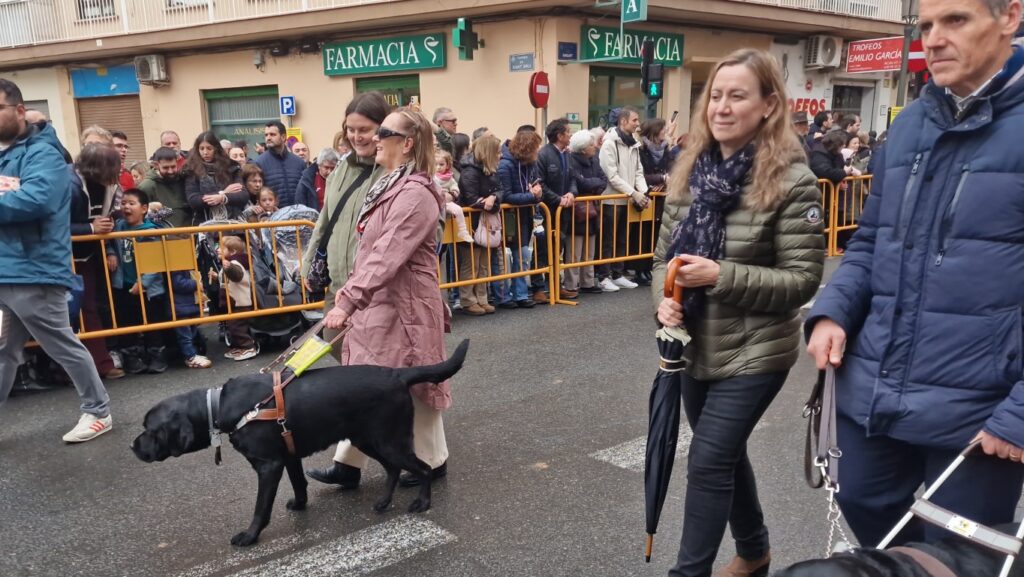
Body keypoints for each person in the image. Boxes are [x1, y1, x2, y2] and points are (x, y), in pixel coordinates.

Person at [805, 0, 1024, 550]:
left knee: (957, 555)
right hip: (875, 387)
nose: (934, 38)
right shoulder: (911, 126)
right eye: (925, 25)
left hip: (980, 411)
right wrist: (832, 310)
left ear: (1010, 17)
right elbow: (873, 238)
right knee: (864, 510)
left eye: (955, 20)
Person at [654, 48, 824, 577]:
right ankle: (754, 552)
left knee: (706, 460)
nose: (722, 107)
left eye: (738, 96)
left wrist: (720, 276)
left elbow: (802, 281)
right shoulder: (688, 175)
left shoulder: (793, 182)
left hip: (757, 352)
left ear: (769, 105)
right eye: (716, 96)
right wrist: (663, 301)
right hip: (693, 348)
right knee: (722, 454)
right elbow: (664, 262)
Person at [307, 107, 451, 489]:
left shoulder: (415, 193)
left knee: (412, 382)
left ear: (406, 144)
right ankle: (347, 462)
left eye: (382, 132)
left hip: (404, 307)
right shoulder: (390, 183)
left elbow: (386, 255)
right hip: (382, 303)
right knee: (366, 384)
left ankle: (432, 461)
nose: (372, 138)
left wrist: (347, 300)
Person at [0, 79, 114, 443]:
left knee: (60, 342)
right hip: (7, 268)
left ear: (18, 110)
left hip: (35, 268)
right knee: (5, 350)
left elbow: (36, 202)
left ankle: (98, 411)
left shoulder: (43, 154)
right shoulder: (6, 155)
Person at [300, 92, 389, 365]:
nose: (356, 136)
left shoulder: (393, 171)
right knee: (338, 348)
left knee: (376, 363)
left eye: (364, 130)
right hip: (337, 285)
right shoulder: (340, 169)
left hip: (375, 289)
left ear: (383, 129)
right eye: (351, 129)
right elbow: (326, 220)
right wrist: (308, 264)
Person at [69, 144, 124, 381]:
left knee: (92, 308)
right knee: (65, 315)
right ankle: (67, 371)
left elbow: (109, 216)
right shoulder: (69, 185)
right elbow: (52, 226)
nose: (117, 173)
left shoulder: (108, 187)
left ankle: (101, 364)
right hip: (61, 258)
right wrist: (91, 228)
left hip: (90, 255)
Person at [106, 188, 170, 375]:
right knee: (127, 322)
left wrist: (144, 281)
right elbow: (107, 240)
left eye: (131, 203)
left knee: (152, 323)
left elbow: (155, 260)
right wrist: (110, 253)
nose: (126, 207)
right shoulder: (118, 226)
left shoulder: (150, 231)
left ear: (143, 208)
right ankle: (132, 358)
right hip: (123, 284)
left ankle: (157, 356)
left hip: (148, 288)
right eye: (123, 203)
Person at [597, 106, 648, 292]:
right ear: (623, 121)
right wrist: (634, 193)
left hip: (627, 199)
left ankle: (617, 274)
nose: (637, 124)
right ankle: (603, 276)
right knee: (607, 239)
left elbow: (638, 171)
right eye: (634, 120)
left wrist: (644, 192)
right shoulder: (609, 143)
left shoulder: (634, 143)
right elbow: (611, 175)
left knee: (622, 238)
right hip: (610, 199)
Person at [497, 129, 545, 309]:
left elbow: (536, 183)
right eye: (535, 147)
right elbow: (507, 196)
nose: (538, 150)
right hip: (509, 217)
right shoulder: (506, 165)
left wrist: (537, 192)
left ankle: (521, 294)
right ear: (527, 148)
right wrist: (532, 197)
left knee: (523, 256)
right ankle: (506, 295)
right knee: (508, 259)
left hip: (524, 216)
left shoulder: (530, 163)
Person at [457, 135, 504, 313]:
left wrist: (493, 198)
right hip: (471, 224)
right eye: (498, 152)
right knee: (471, 264)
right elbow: (471, 200)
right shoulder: (469, 171)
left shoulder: (490, 169)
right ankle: (468, 300)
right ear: (488, 152)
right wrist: (491, 202)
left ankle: (482, 298)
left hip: (485, 223)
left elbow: (501, 190)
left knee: (483, 264)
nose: (501, 155)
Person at [536, 118, 577, 301]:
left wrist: (571, 194)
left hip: (564, 211)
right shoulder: (543, 155)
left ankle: (555, 285)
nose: (570, 134)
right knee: (542, 249)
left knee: (557, 248)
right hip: (547, 211)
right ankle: (538, 287)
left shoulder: (567, 154)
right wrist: (557, 199)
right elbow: (540, 183)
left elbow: (573, 179)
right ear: (560, 135)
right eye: (568, 131)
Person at [565, 129, 606, 296]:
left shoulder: (594, 160)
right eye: (591, 144)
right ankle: (571, 284)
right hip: (576, 210)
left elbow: (603, 180)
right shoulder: (571, 161)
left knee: (590, 248)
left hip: (592, 207)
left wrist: (590, 183)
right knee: (574, 249)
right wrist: (592, 184)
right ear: (583, 149)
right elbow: (580, 184)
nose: (594, 146)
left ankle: (588, 282)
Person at [637, 117, 675, 287]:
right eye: (663, 129)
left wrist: (665, 179)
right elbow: (639, 174)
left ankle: (650, 268)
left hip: (661, 196)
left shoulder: (665, 148)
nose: (665, 132)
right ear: (655, 131)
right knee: (643, 234)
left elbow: (671, 168)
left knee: (656, 234)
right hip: (646, 195)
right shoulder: (641, 149)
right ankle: (640, 269)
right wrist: (661, 178)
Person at [209, 235, 257, 361]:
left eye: (222, 248)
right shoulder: (231, 263)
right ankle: (240, 347)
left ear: (233, 251)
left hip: (239, 303)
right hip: (233, 302)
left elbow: (237, 276)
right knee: (233, 326)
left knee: (238, 328)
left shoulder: (235, 263)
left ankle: (248, 347)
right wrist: (216, 276)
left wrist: (229, 267)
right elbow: (227, 280)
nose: (218, 249)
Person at [183, 131, 246, 225]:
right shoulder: (191, 170)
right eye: (201, 148)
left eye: (209, 148)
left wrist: (222, 198)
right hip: (204, 223)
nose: (205, 152)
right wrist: (223, 193)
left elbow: (243, 195)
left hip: (232, 221)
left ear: (216, 148)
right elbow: (194, 200)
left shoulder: (232, 167)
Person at [138, 147, 192, 228]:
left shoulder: (184, 180)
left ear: (177, 162)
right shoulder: (147, 186)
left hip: (187, 236)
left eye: (173, 167)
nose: (170, 171)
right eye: (166, 168)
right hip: (160, 237)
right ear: (156, 165)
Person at [254, 120, 305, 207]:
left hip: (299, 214)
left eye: (272, 134)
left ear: (283, 137)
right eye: (266, 135)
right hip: (275, 217)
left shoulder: (299, 162)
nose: (268, 138)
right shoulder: (260, 163)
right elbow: (257, 192)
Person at [435, 150, 473, 245]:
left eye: (441, 164)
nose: (438, 167)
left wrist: (453, 193)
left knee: (458, 210)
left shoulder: (449, 177)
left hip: (446, 202)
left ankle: (463, 231)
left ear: (447, 165)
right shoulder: (432, 176)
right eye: (435, 164)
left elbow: (455, 187)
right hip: (435, 202)